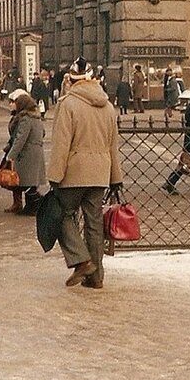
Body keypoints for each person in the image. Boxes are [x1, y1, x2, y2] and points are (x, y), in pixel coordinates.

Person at [47, 57, 122, 289]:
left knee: (61, 214)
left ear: (71, 79)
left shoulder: (67, 104)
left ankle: (81, 261)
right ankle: (96, 277)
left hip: (74, 173)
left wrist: (55, 175)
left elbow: (61, 144)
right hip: (100, 174)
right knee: (94, 224)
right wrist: (115, 178)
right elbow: (113, 145)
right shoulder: (108, 106)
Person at [6, 92, 47, 214]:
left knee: (25, 182)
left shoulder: (25, 119)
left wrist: (11, 155)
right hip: (36, 153)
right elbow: (43, 133)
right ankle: (31, 207)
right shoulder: (36, 117)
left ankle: (35, 206)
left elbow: (20, 139)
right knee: (31, 183)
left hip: (27, 155)